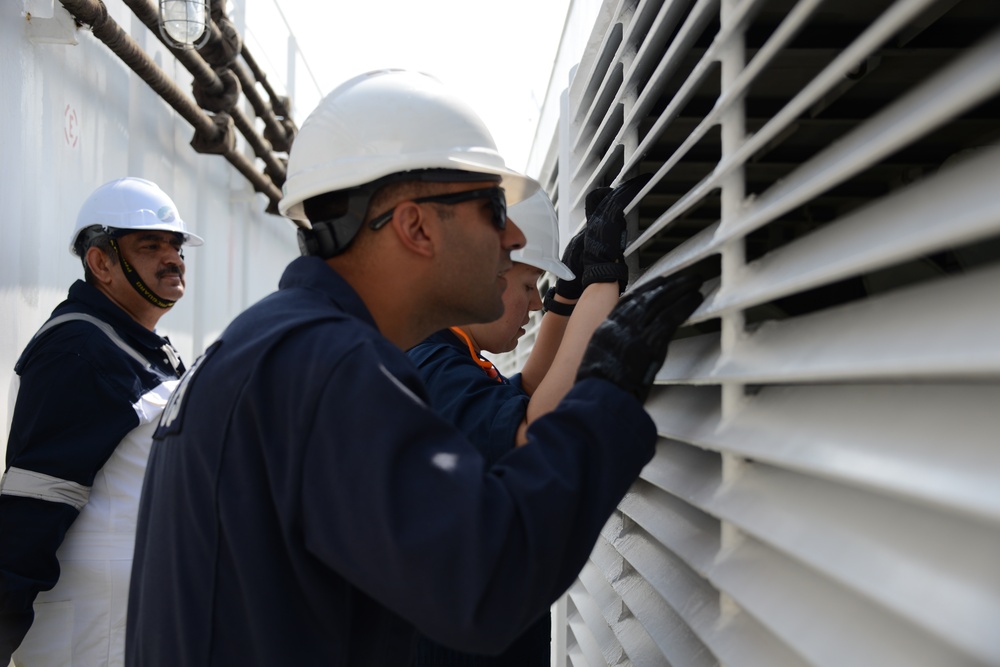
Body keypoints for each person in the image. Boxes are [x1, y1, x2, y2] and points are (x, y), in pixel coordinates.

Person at [125, 69, 703, 666]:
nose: (511, 238)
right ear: (416, 225)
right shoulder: (325, 367)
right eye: (493, 209)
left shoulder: (274, 345)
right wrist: (604, 398)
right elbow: (483, 580)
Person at [407, 180, 645, 666]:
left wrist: (569, 298)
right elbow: (537, 425)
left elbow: (530, 390)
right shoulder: (430, 364)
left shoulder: (447, 352)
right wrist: (602, 284)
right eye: (528, 285)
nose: (535, 304)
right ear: (481, 272)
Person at [0, 177, 202, 666]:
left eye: (175, 245)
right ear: (101, 262)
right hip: (92, 637)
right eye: (150, 245)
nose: (172, 258)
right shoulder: (79, 351)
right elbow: (33, 509)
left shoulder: (142, 348)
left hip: (132, 625)